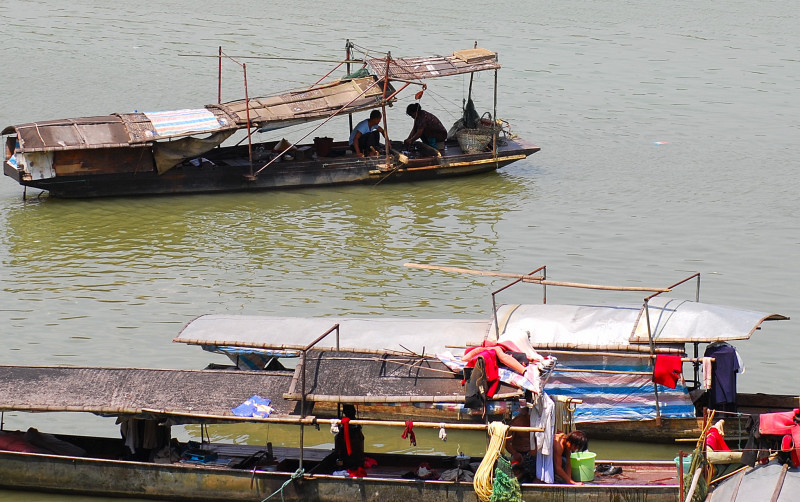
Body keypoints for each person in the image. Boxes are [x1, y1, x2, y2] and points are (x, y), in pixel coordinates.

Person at [506, 401, 537, 483]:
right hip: (518, 453)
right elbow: (507, 442)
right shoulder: (516, 423)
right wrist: (515, 453)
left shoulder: (538, 422)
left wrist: (534, 451)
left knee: (533, 475)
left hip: (532, 454)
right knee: (515, 474)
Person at [334, 404, 365, 470]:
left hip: (353, 448)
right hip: (347, 447)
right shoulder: (343, 423)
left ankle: (354, 463)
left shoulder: (355, 425)